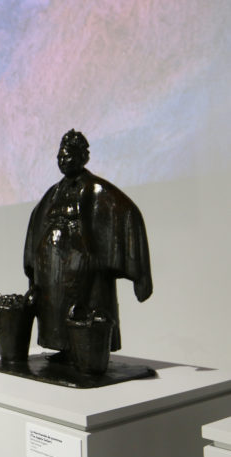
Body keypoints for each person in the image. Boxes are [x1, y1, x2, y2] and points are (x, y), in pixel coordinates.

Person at [23, 129, 152, 361]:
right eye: (60, 156)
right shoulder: (53, 192)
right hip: (51, 267)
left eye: (68, 156)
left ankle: (85, 353)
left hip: (80, 265)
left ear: (82, 157)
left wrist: (139, 274)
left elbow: (126, 213)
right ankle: (62, 348)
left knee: (82, 309)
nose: (63, 161)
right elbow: (36, 221)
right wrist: (35, 264)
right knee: (55, 312)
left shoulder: (95, 189)